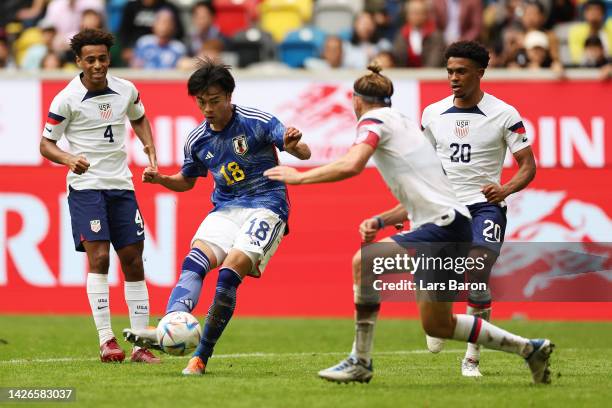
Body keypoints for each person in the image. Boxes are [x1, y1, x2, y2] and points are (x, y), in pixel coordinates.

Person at [264, 61, 553, 385]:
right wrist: (384, 218)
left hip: (443, 225)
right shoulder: (401, 121)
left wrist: (298, 178)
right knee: (437, 326)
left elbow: (352, 164)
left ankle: (360, 360)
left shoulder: (374, 120)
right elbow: (426, 188)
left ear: (356, 101)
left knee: (364, 262)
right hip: (449, 221)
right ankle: (531, 349)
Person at [123, 58, 311, 376]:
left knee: (227, 275)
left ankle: (201, 355)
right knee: (193, 264)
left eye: (214, 101)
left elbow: (303, 152)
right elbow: (186, 180)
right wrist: (162, 179)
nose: (207, 108)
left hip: (267, 206)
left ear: (229, 97)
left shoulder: (257, 122)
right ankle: (168, 326)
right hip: (225, 209)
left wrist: (294, 146)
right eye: (201, 102)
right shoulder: (197, 139)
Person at [39, 29, 159, 363]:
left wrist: (148, 145)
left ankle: (140, 345)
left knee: (134, 260)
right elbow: (45, 144)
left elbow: (139, 116)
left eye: (102, 58)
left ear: (109, 58)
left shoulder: (126, 89)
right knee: (100, 259)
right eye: (89, 59)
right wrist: (67, 158)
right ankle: (107, 340)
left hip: (122, 186)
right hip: (86, 187)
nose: (97, 65)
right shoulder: (66, 98)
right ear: (78, 61)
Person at [420, 40, 537, 377]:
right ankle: (438, 322)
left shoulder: (504, 114)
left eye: (461, 71)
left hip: (485, 207)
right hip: (444, 207)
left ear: (480, 73)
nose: (454, 78)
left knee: (478, 268)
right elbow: (421, 166)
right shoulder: (432, 114)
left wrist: (505, 189)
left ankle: (472, 356)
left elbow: (527, 166)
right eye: (450, 71)